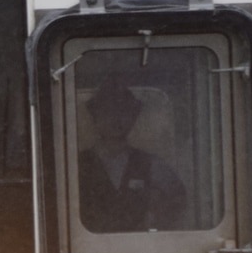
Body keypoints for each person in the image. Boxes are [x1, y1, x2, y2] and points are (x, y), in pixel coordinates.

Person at [78, 77, 187, 232]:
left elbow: (177, 200)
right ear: (96, 118)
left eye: (124, 111)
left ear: (133, 118)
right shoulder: (76, 166)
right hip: (89, 250)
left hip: (139, 248)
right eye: (108, 111)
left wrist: (156, 218)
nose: (116, 119)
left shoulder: (151, 164)